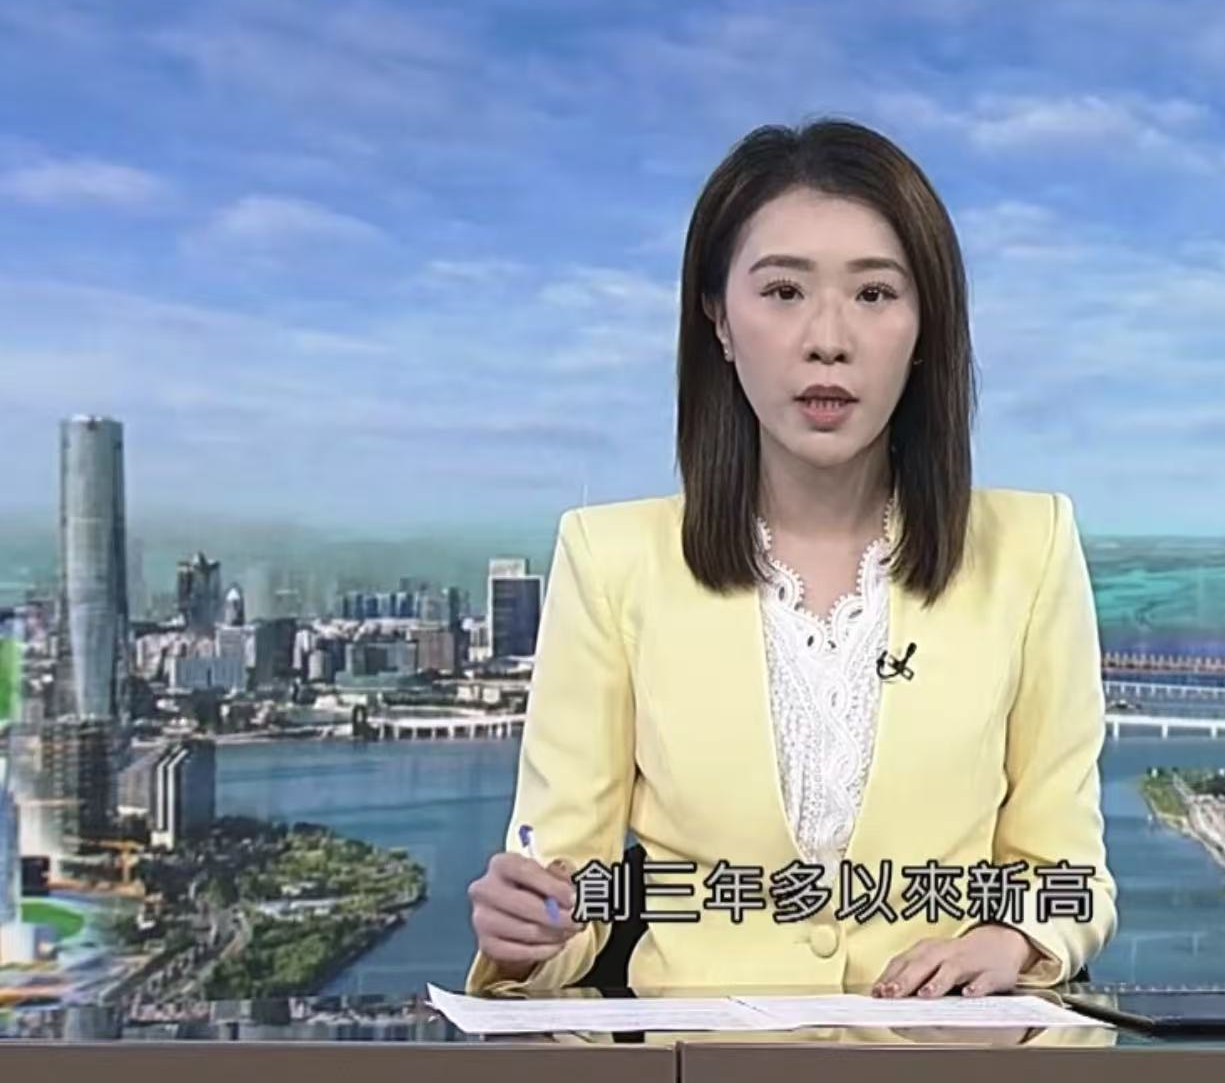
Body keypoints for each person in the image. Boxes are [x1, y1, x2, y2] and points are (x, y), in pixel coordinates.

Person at [466, 117, 1115, 998]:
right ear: (718, 320)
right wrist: (527, 936)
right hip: (700, 1061)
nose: (827, 338)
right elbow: (565, 897)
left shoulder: (1030, 549)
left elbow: (1063, 872)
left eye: (875, 294)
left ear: (926, 326)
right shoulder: (609, 560)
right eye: (782, 291)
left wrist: (1014, 940)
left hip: (944, 1057)